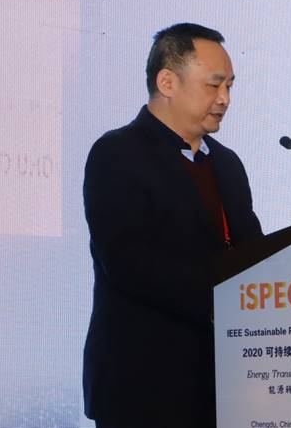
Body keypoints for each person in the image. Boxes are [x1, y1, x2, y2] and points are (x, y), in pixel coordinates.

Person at [82, 23, 263, 428]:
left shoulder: (227, 163)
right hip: (145, 386)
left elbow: (253, 251)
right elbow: (128, 262)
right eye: (214, 85)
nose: (225, 98)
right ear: (167, 82)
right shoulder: (118, 153)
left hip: (227, 390)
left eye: (229, 86)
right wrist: (226, 304)